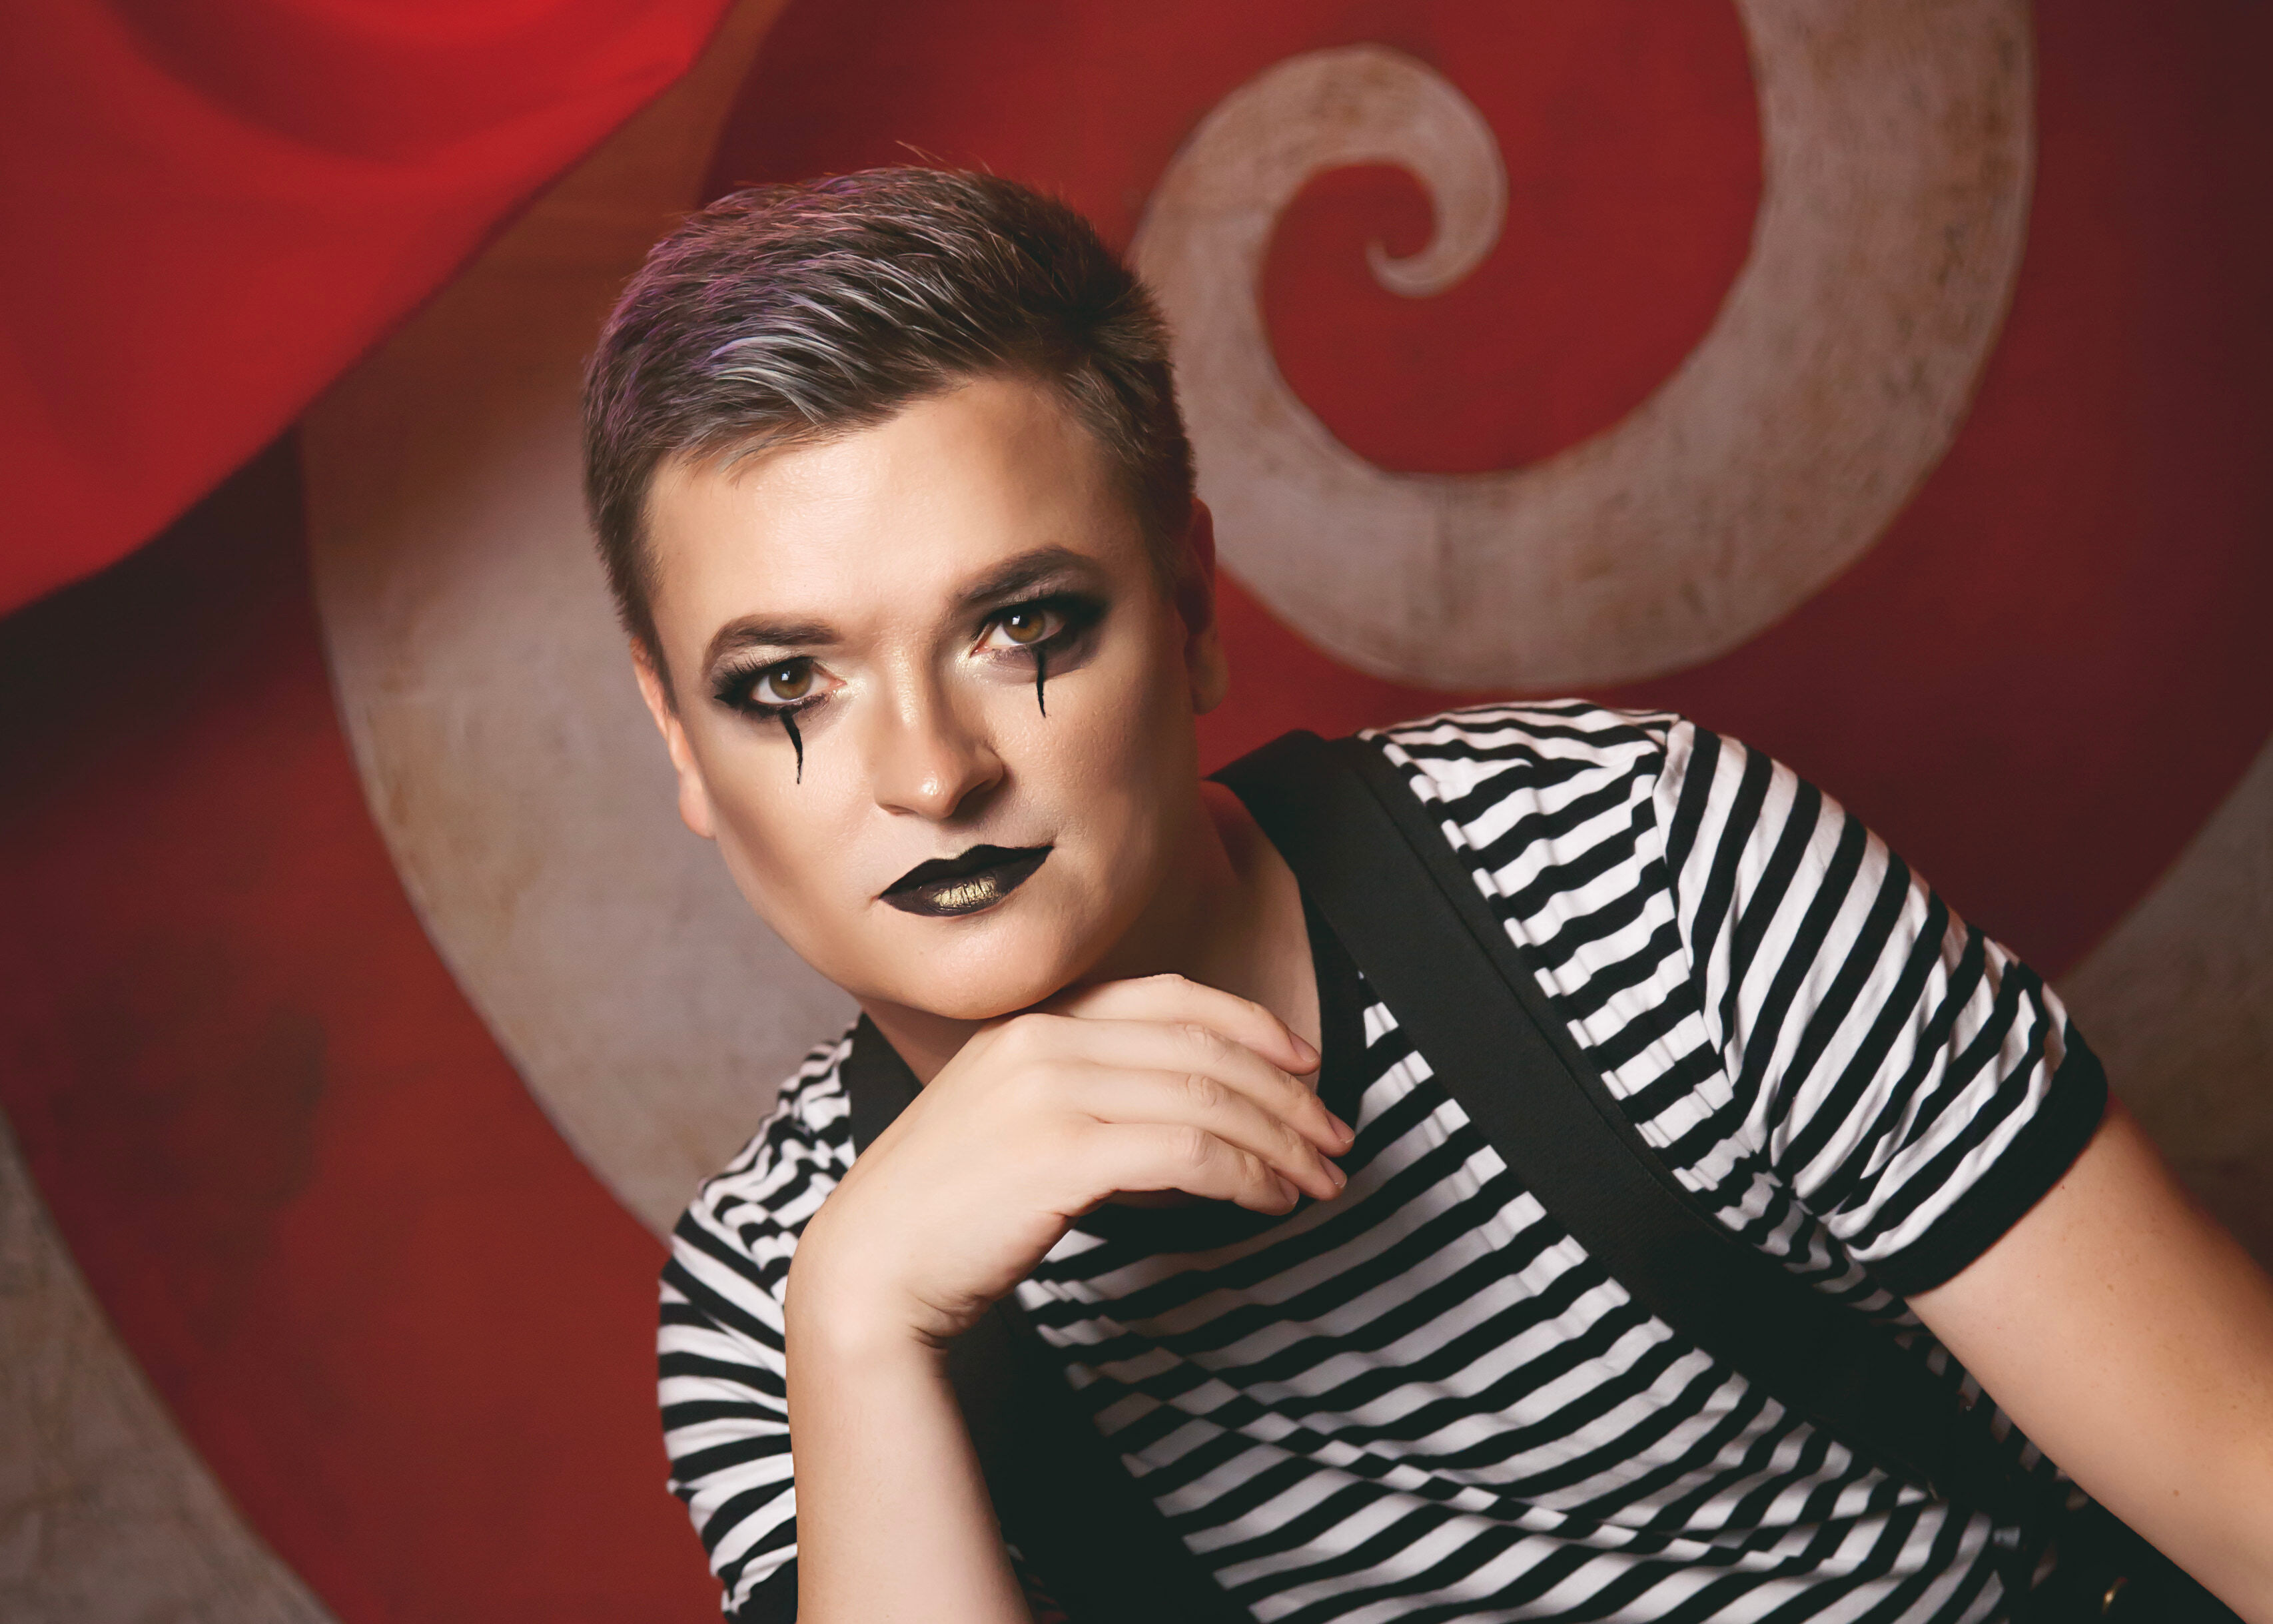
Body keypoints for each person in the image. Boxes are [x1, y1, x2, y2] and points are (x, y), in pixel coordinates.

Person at [580, 167, 2273, 1624]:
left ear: (1189, 609)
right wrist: (866, 1331)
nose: (932, 773)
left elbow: (2240, 1479)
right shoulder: (781, 1295)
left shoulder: (1637, 869)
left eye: (1021, 625)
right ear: (677, 739)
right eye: (787, 685)